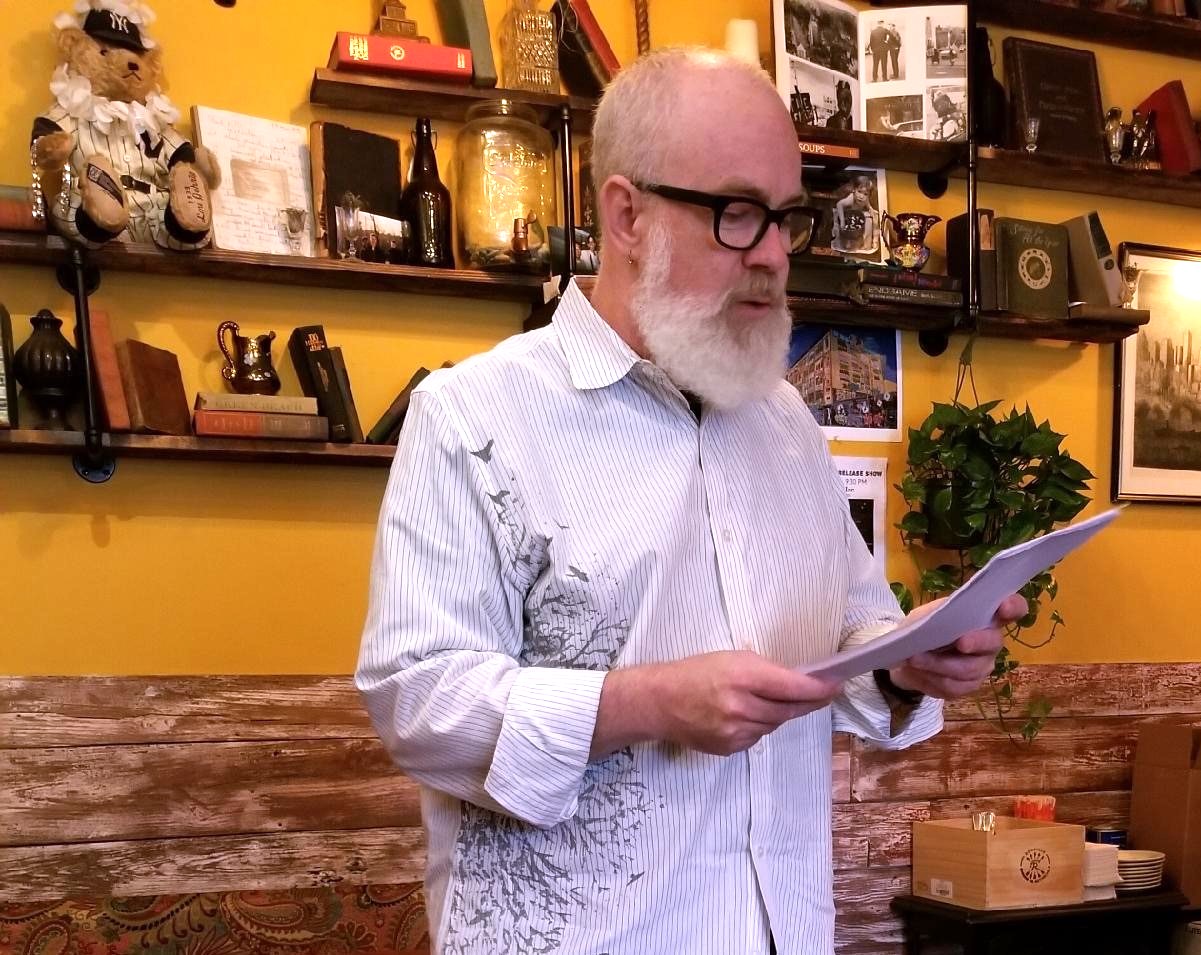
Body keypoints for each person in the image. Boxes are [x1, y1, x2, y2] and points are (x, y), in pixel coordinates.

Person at [356, 48, 1022, 955]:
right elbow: (416, 699)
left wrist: (912, 658)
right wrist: (647, 704)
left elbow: (852, 643)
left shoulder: (787, 422)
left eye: (789, 217)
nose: (777, 255)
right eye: (738, 214)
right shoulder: (474, 417)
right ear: (626, 214)